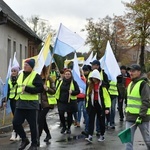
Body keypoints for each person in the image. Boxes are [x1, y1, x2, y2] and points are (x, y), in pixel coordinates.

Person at [13, 59, 44, 150]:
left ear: (31, 67)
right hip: (20, 103)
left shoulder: (36, 76)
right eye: (24, 64)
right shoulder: (20, 74)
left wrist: (27, 89)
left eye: (27, 65)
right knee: (16, 123)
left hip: (31, 105)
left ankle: (34, 144)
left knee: (33, 125)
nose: (25, 66)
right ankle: (24, 139)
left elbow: (40, 89)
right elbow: (18, 87)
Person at [125, 64, 150, 150]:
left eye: (133, 71)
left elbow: (146, 101)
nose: (131, 73)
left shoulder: (143, 84)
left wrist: (141, 116)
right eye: (130, 71)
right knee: (128, 141)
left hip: (142, 117)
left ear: (139, 72)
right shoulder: (131, 83)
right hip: (130, 116)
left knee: (147, 139)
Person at [85, 69, 111, 143]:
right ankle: (90, 135)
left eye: (95, 78)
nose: (93, 79)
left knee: (101, 121)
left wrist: (106, 108)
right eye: (92, 78)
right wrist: (87, 105)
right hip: (92, 105)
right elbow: (87, 96)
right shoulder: (90, 85)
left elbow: (106, 97)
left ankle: (102, 135)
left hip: (100, 105)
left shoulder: (102, 86)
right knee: (91, 120)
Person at [55, 69, 80, 134]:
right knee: (61, 114)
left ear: (71, 75)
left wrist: (72, 92)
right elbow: (57, 90)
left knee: (69, 115)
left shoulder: (74, 82)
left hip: (70, 101)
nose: (67, 75)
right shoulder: (60, 82)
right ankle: (63, 126)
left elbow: (78, 91)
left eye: (68, 74)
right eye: (66, 74)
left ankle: (68, 127)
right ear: (64, 75)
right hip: (61, 101)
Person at [38, 66, 56, 146]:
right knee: (42, 119)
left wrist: (47, 89)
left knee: (40, 118)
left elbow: (54, 91)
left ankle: (37, 137)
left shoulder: (49, 79)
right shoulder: (36, 78)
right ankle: (48, 134)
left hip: (47, 103)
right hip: (37, 103)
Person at [8, 66, 20, 141]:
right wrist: (5, 100)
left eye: (14, 71)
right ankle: (15, 132)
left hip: (18, 100)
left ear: (17, 72)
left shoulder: (19, 79)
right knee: (14, 117)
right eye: (12, 71)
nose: (13, 72)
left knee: (17, 117)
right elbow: (8, 90)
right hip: (12, 100)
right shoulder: (9, 80)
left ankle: (16, 133)